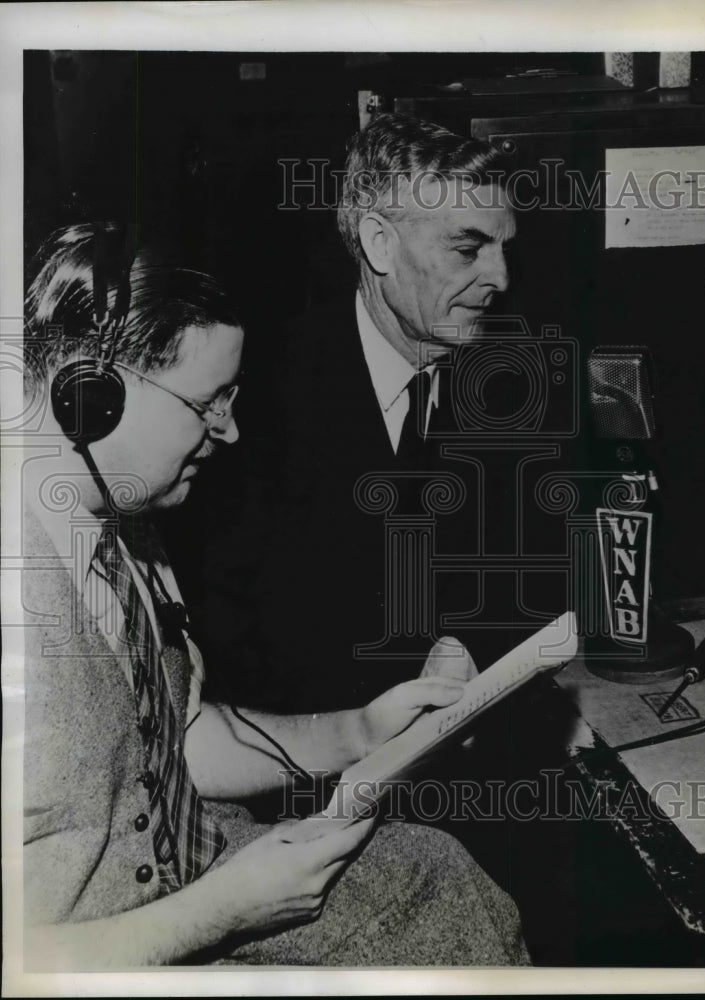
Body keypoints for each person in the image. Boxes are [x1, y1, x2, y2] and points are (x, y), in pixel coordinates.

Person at [20, 222, 530, 969]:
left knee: (440, 877)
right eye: (207, 403)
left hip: (182, 879)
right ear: (92, 394)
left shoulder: (124, 517)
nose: (227, 432)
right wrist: (224, 908)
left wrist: (362, 730)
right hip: (104, 952)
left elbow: (184, 738)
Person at [208, 114, 529, 714]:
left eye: (504, 247)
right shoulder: (256, 401)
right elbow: (229, 639)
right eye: (468, 249)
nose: (501, 278)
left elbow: (526, 566)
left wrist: (467, 644)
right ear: (381, 244)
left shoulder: (508, 382)